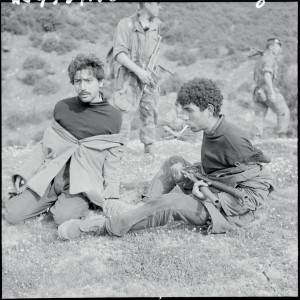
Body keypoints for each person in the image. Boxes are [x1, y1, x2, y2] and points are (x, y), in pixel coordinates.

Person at [57, 78, 275, 240]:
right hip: (213, 188)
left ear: (208, 110)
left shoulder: (234, 139)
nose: (183, 117)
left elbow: (254, 195)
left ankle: (100, 227)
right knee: (174, 161)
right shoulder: (211, 130)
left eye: (189, 111)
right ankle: (142, 208)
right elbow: (222, 171)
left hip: (228, 211)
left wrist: (209, 195)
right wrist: (194, 176)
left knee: (170, 203)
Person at [4, 53, 129, 226]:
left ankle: (69, 204)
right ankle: (47, 201)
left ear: (100, 82)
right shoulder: (63, 108)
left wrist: (111, 195)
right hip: (52, 175)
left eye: (88, 80)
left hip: (81, 183)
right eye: (78, 81)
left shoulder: (113, 117)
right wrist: (26, 173)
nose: (83, 87)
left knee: (62, 219)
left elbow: (113, 159)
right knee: (12, 214)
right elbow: (44, 146)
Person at [108, 2, 162, 155]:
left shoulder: (156, 26)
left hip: (150, 79)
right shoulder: (126, 24)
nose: (160, 7)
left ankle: (150, 156)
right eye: (157, 3)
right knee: (123, 118)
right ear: (147, 4)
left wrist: (151, 74)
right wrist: (139, 72)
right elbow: (119, 54)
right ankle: (116, 158)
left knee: (150, 116)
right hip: (128, 80)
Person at [251, 37, 290, 138]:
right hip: (267, 89)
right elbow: (267, 74)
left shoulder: (260, 59)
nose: (279, 49)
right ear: (271, 46)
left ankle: (256, 137)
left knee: (259, 115)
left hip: (258, 91)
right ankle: (282, 135)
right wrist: (272, 92)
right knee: (283, 111)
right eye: (278, 46)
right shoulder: (269, 58)